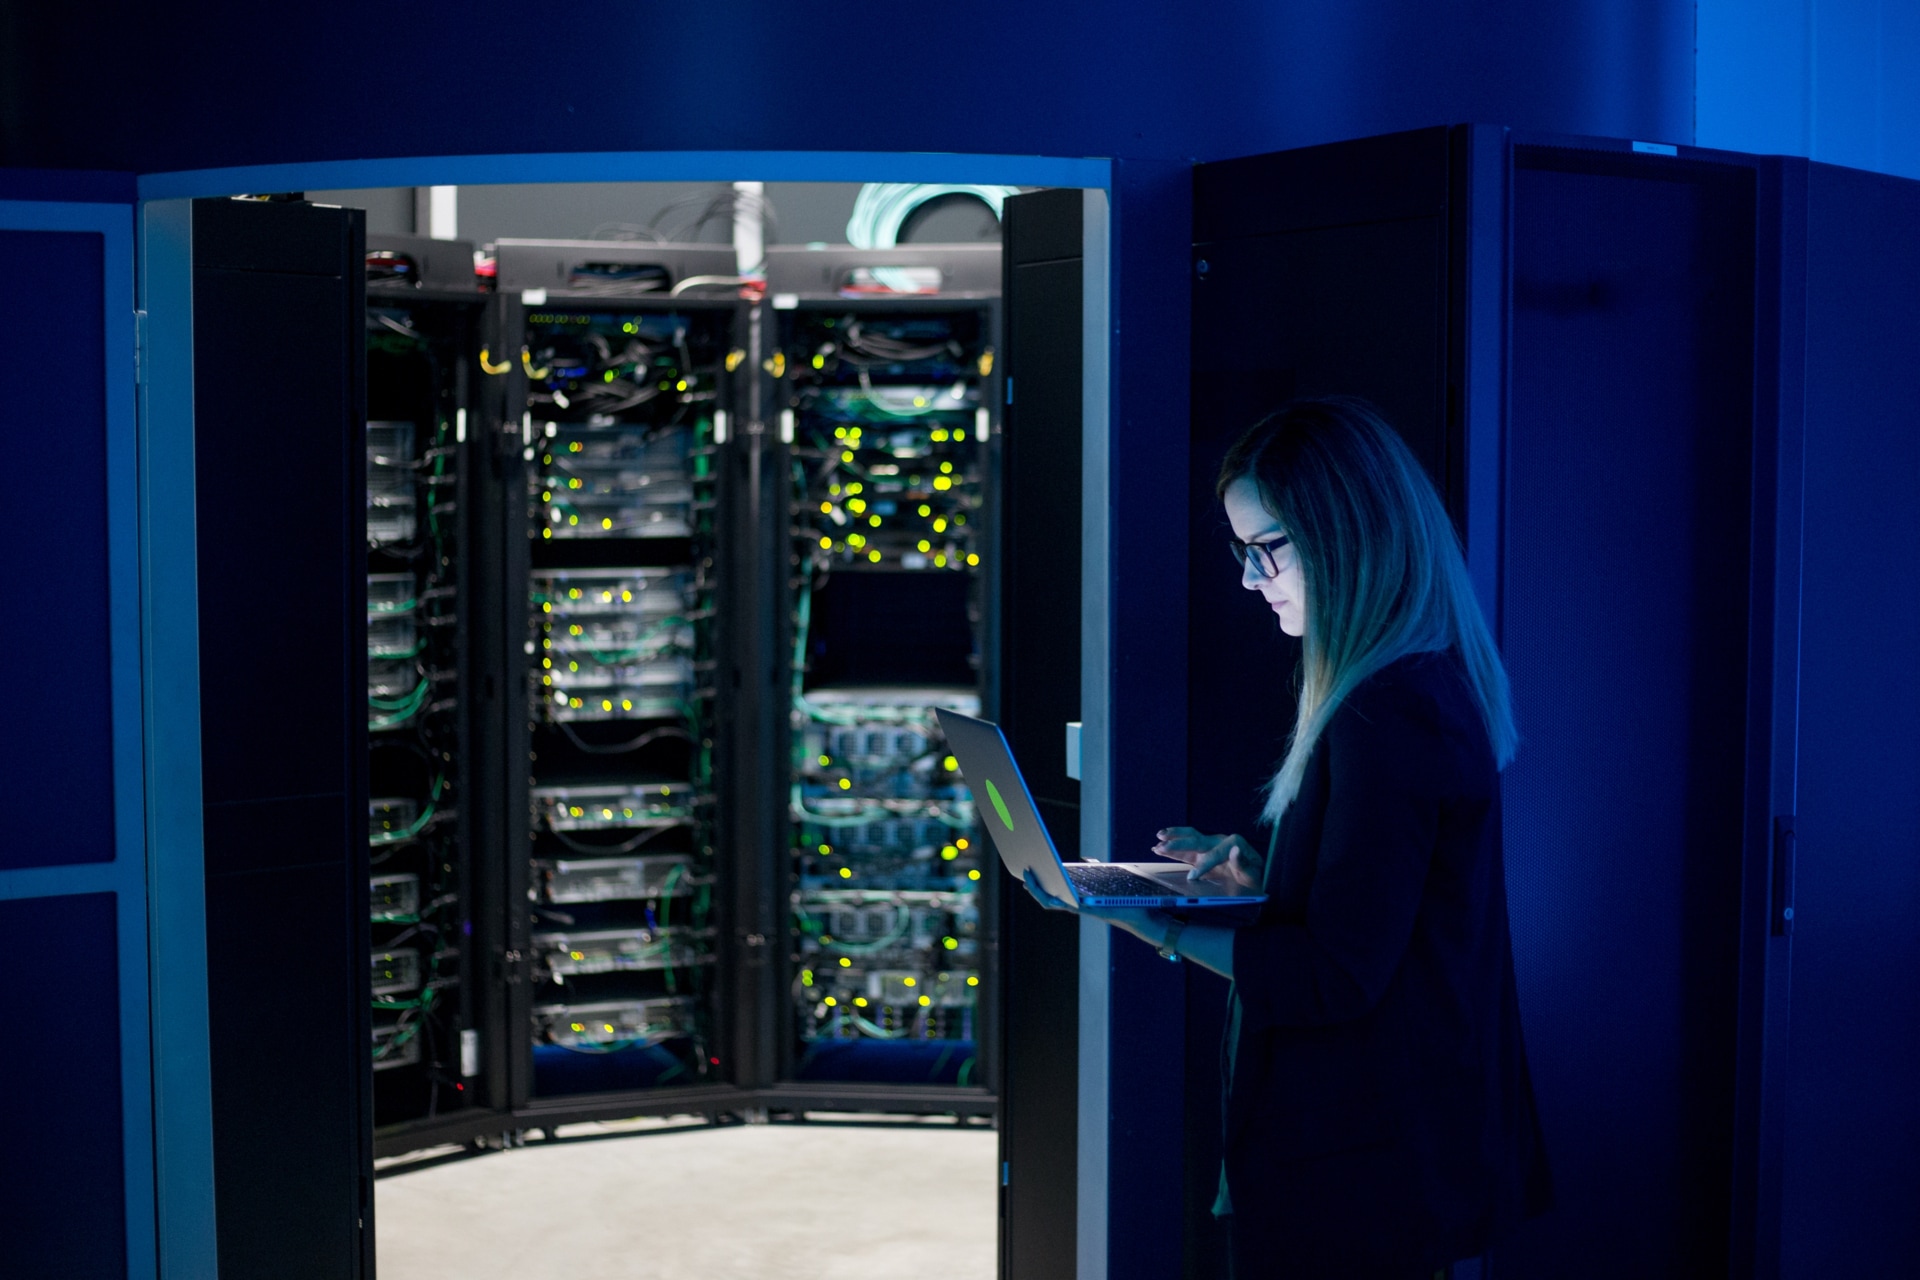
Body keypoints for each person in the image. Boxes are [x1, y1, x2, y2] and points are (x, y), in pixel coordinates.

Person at [1026, 398, 1552, 1278]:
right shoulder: (1404, 687)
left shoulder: (1389, 711)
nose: (1250, 579)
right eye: (1243, 552)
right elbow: (1392, 910)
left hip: (1362, 1170)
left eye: (1266, 550)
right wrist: (1261, 874)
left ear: (1347, 534)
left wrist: (1152, 924)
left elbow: (1339, 976)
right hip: (1380, 1157)